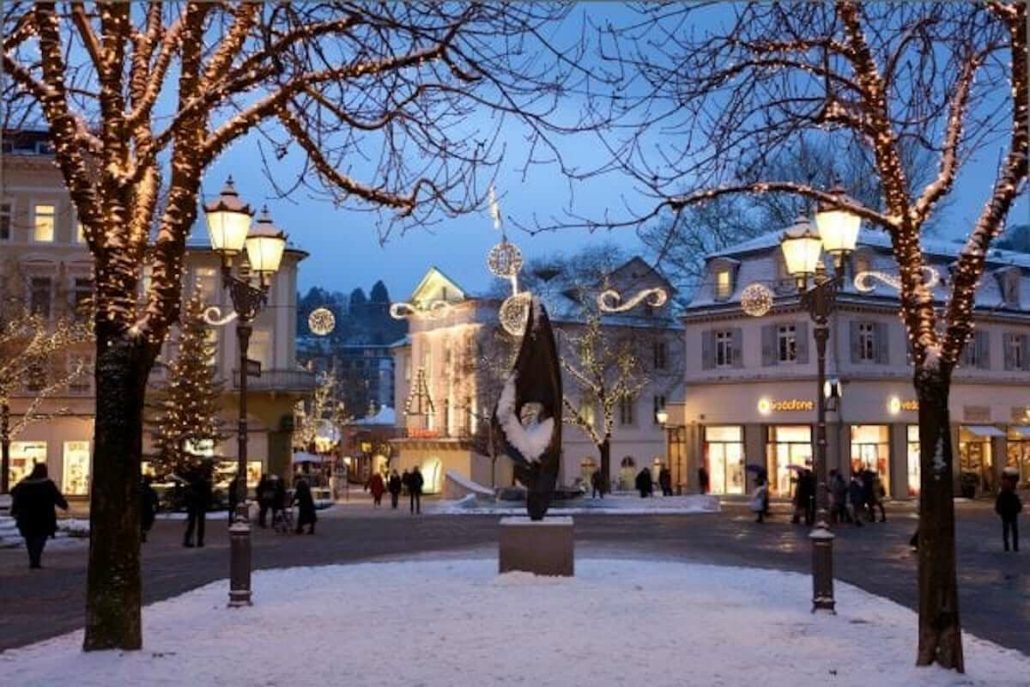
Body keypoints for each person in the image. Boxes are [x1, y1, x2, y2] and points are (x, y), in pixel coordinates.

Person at [10, 464, 69, 569]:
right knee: (40, 537)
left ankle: (33, 558)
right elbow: (56, 496)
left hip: (26, 516)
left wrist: (15, 510)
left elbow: (14, 493)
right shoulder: (47, 484)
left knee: (30, 538)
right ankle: (36, 558)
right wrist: (64, 505)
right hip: (44, 516)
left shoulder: (24, 483)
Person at [183, 464, 212, 547]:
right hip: (199, 504)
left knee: (193, 524)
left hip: (195, 504)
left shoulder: (194, 482)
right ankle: (198, 541)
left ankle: (189, 540)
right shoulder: (203, 482)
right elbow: (207, 494)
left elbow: (188, 493)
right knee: (199, 524)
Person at [995, 471, 1022, 552]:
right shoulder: (1012, 495)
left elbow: (998, 505)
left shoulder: (1003, 495)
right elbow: (1018, 504)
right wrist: (1017, 510)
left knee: (1007, 531)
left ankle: (1007, 547)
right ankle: (1015, 547)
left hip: (1006, 515)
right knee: (1014, 531)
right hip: (1012, 514)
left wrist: (999, 511)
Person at [141, 476, 159, 543]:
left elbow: (155, 500)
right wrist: (157, 508)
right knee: (147, 522)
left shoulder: (148, 491)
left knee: (146, 523)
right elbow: (155, 501)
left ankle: (143, 533)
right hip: (147, 509)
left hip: (145, 508)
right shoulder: (151, 491)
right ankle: (143, 533)